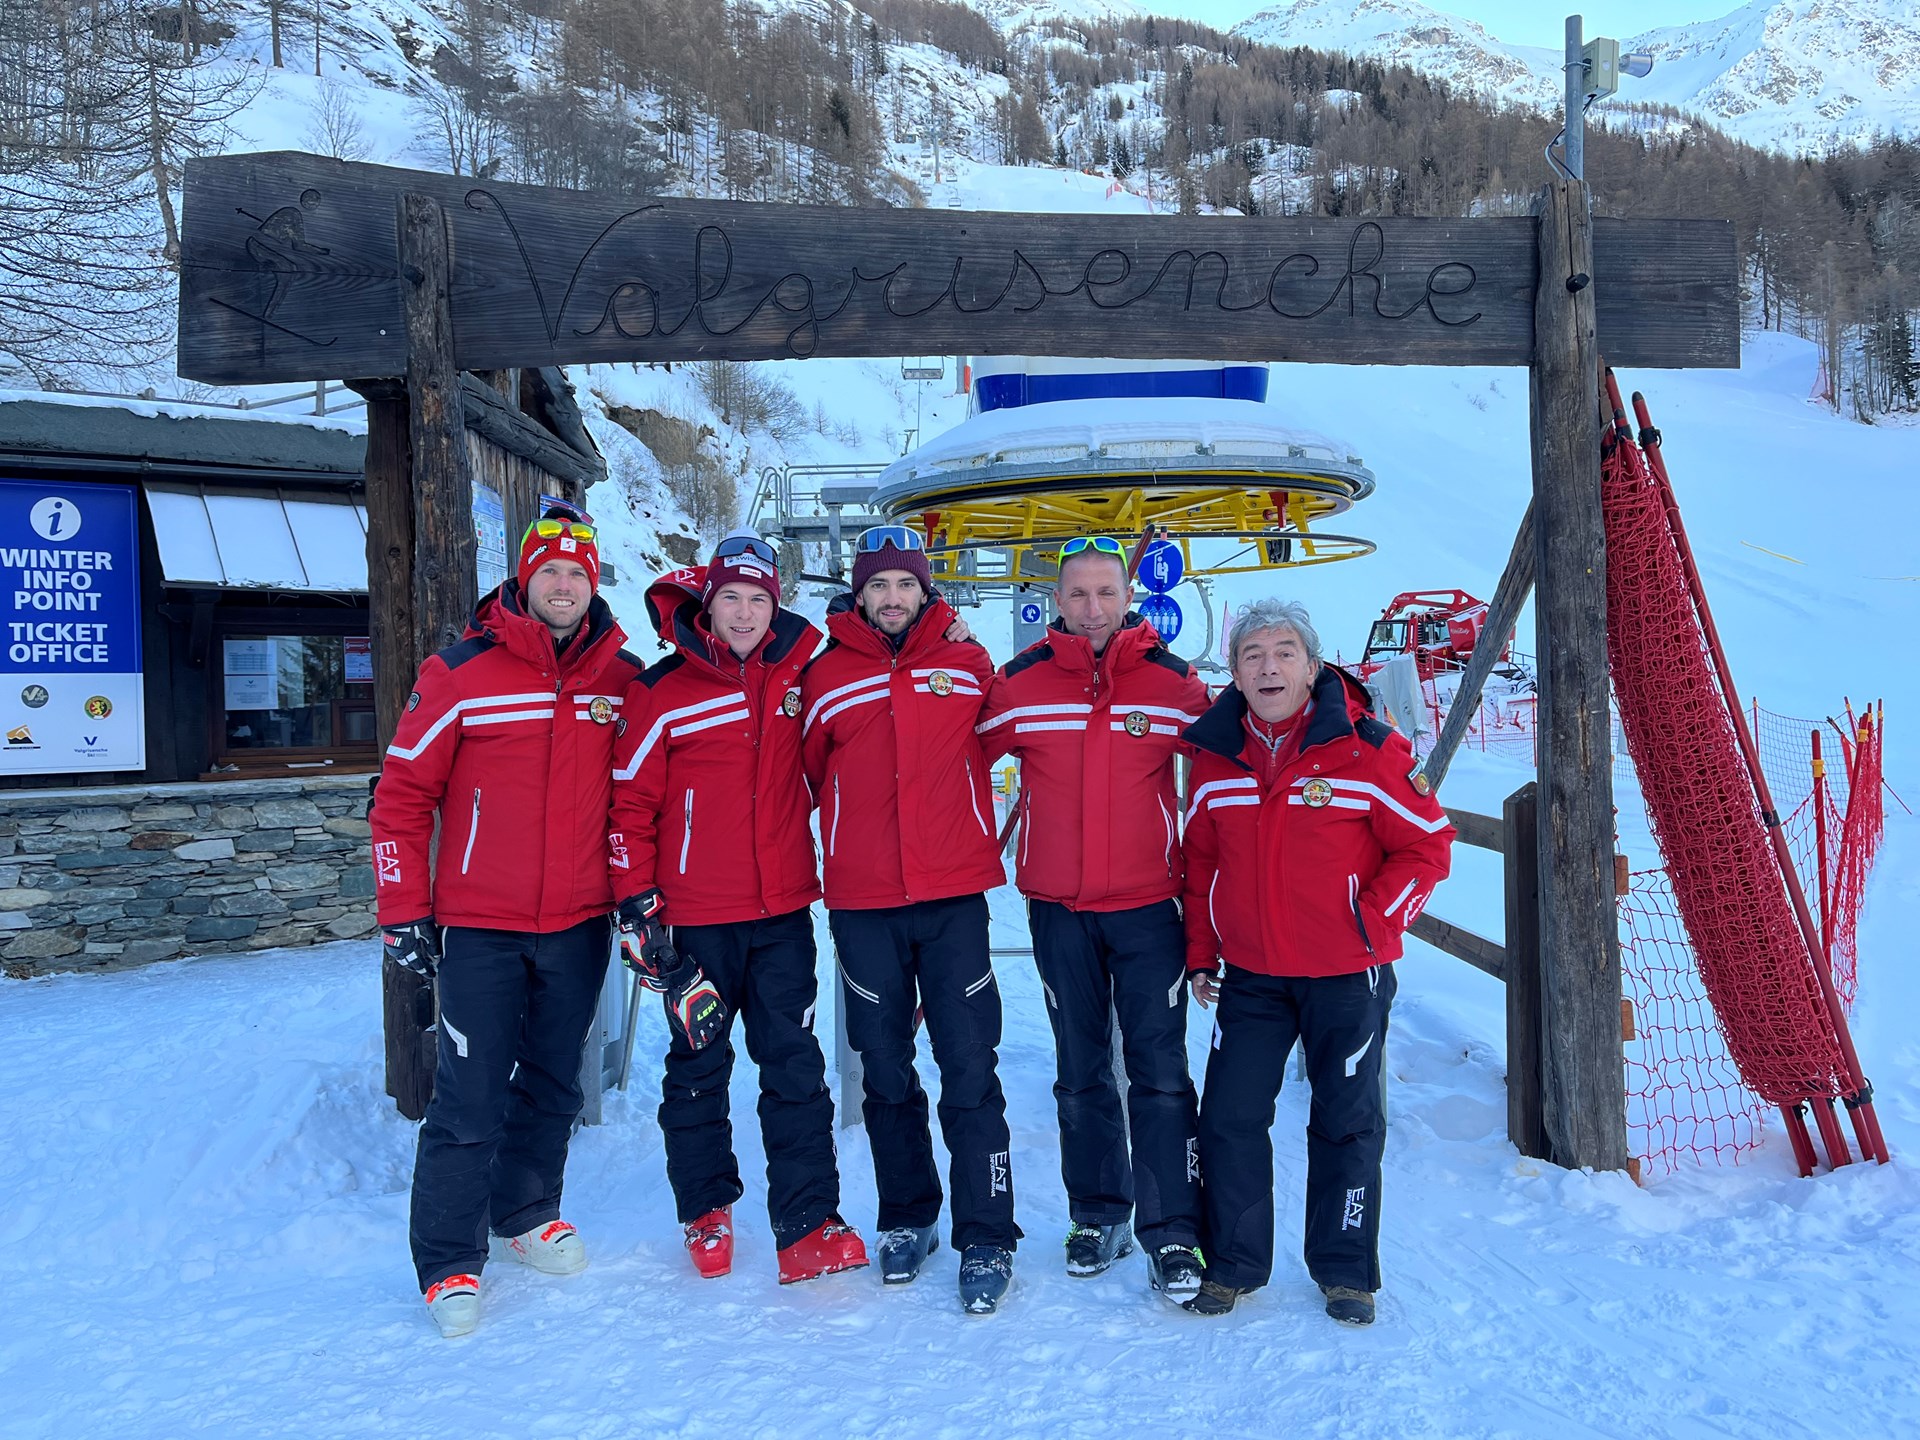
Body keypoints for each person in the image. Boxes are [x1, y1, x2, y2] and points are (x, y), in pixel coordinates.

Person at [373, 505, 643, 1338]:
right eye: (549, 570)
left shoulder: (620, 678)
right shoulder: (460, 673)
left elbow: (644, 791)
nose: (563, 585)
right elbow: (400, 798)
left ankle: (525, 1212)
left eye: (577, 573)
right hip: (482, 925)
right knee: (470, 1092)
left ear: (592, 584)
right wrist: (402, 910)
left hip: (578, 921)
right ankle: (448, 1260)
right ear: (524, 580)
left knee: (556, 1081)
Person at [1180, 597, 1454, 1324]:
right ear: (1235, 672)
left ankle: (1345, 1271)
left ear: (1311, 666)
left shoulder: (1368, 748)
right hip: (1252, 977)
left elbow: (1427, 845)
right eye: (1252, 655)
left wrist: (1372, 924)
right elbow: (1199, 863)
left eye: (1283, 653)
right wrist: (1201, 954)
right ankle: (1233, 1264)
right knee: (1229, 1118)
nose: (1268, 667)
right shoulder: (1214, 757)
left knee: (1346, 1121)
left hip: (1346, 976)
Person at [608, 531, 867, 1286]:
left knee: (795, 1067)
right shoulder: (660, 691)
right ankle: (705, 1208)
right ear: (708, 604)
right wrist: (638, 906)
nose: (746, 612)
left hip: (782, 912)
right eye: (732, 597)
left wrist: (951, 632)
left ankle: (808, 1223)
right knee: (699, 1063)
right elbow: (629, 805)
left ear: (774, 605)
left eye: (759, 598)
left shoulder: (801, 677)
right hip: (695, 918)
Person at [976, 536, 1209, 1306]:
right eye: (1077, 593)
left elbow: (1238, 763)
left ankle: (1172, 1229)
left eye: (1106, 592)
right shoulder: (1020, 683)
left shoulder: (1174, 684)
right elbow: (955, 755)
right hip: (1059, 909)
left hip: (1149, 908)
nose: (1092, 608)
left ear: (1128, 597)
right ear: (1058, 600)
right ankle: (1098, 1214)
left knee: (1159, 1070)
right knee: (1080, 1070)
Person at [799, 525, 1022, 1314]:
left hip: (952, 896)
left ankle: (987, 1233)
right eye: (878, 585)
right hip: (863, 903)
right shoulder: (825, 674)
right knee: (884, 1068)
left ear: (926, 592)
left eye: (905, 585)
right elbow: (812, 769)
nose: (892, 598)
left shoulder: (968, 663)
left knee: (969, 1067)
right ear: (858, 594)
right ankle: (907, 1214)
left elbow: (1006, 740)